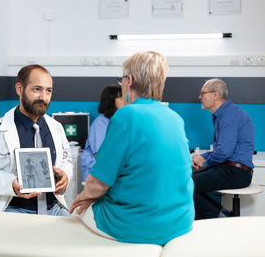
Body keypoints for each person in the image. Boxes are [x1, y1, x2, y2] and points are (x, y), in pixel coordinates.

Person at [69, 51, 194, 245]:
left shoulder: (125, 116)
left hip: (136, 225)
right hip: (179, 221)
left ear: (130, 80)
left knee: (78, 211)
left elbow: (97, 184)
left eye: (122, 81)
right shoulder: (174, 118)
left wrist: (83, 198)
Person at [0, 64, 73, 216]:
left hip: (54, 209)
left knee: (74, 237)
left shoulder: (56, 128)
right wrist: (11, 183)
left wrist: (65, 175)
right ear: (19, 89)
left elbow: (66, 161)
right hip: (13, 210)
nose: (43, 97)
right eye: (36, 89)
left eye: (48, 91)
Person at [192, 78, 254, 219]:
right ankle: (222, 215)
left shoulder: (229, 114)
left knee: (186, 184)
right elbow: (221, 150)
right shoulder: (224, 114)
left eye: (202, 93)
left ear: (215, 95)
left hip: (236, 173)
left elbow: (225, 151)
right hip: (229, 169)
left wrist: (205, 162)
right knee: (186, 181)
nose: (199, 97)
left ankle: (219, 218)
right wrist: (202, 158)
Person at [81, 85, 123, 181]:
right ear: (111, 101)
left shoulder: (119, 121)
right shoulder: (100, 123)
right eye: (121, 98)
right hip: (97, 175)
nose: (125, 101)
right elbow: (100, 155)